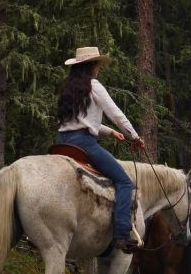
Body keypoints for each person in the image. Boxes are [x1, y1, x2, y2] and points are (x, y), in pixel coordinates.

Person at [56, 46, 146, 253]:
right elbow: (116, 114)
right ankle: (121, 233)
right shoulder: (94, 85)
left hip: (62, 141)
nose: (98, 69)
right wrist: (135, 136)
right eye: (97, 65)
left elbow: (78, 120)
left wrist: (110, 133)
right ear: (92, 66)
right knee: (125, 182)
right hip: (84, 143)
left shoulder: (68, 87)